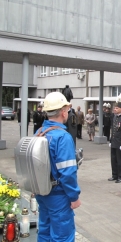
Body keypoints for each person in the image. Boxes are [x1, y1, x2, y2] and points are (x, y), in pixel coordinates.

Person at [35, 92, 81, 242]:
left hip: (42, 192)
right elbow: (67, 173)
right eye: (67, 109)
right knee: (62, 236)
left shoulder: (40, 132)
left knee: (45, 232)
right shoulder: (63, 137)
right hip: (58, 196)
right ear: (62, 111)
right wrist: (74, 197)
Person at [108, 93, 121, 183]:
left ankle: (120, 176)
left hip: (120, 143)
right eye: (114, 108)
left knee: (120, 160)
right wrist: (110, 140)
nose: (115, 109)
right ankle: (114, 175)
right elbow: (113, 129)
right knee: (113, 159)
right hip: (114, 142)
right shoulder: (114, 117)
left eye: (116, 108)